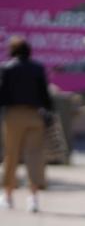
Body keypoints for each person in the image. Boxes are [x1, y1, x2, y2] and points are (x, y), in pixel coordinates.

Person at [0, 36, 52, 212]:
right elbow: (45, 95)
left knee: (11, 155)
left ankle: (7, 196)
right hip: (34, 115)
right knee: (35, 156)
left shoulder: (6, 68)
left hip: (13, 114)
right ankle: (33, 197)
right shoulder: (37, 68)